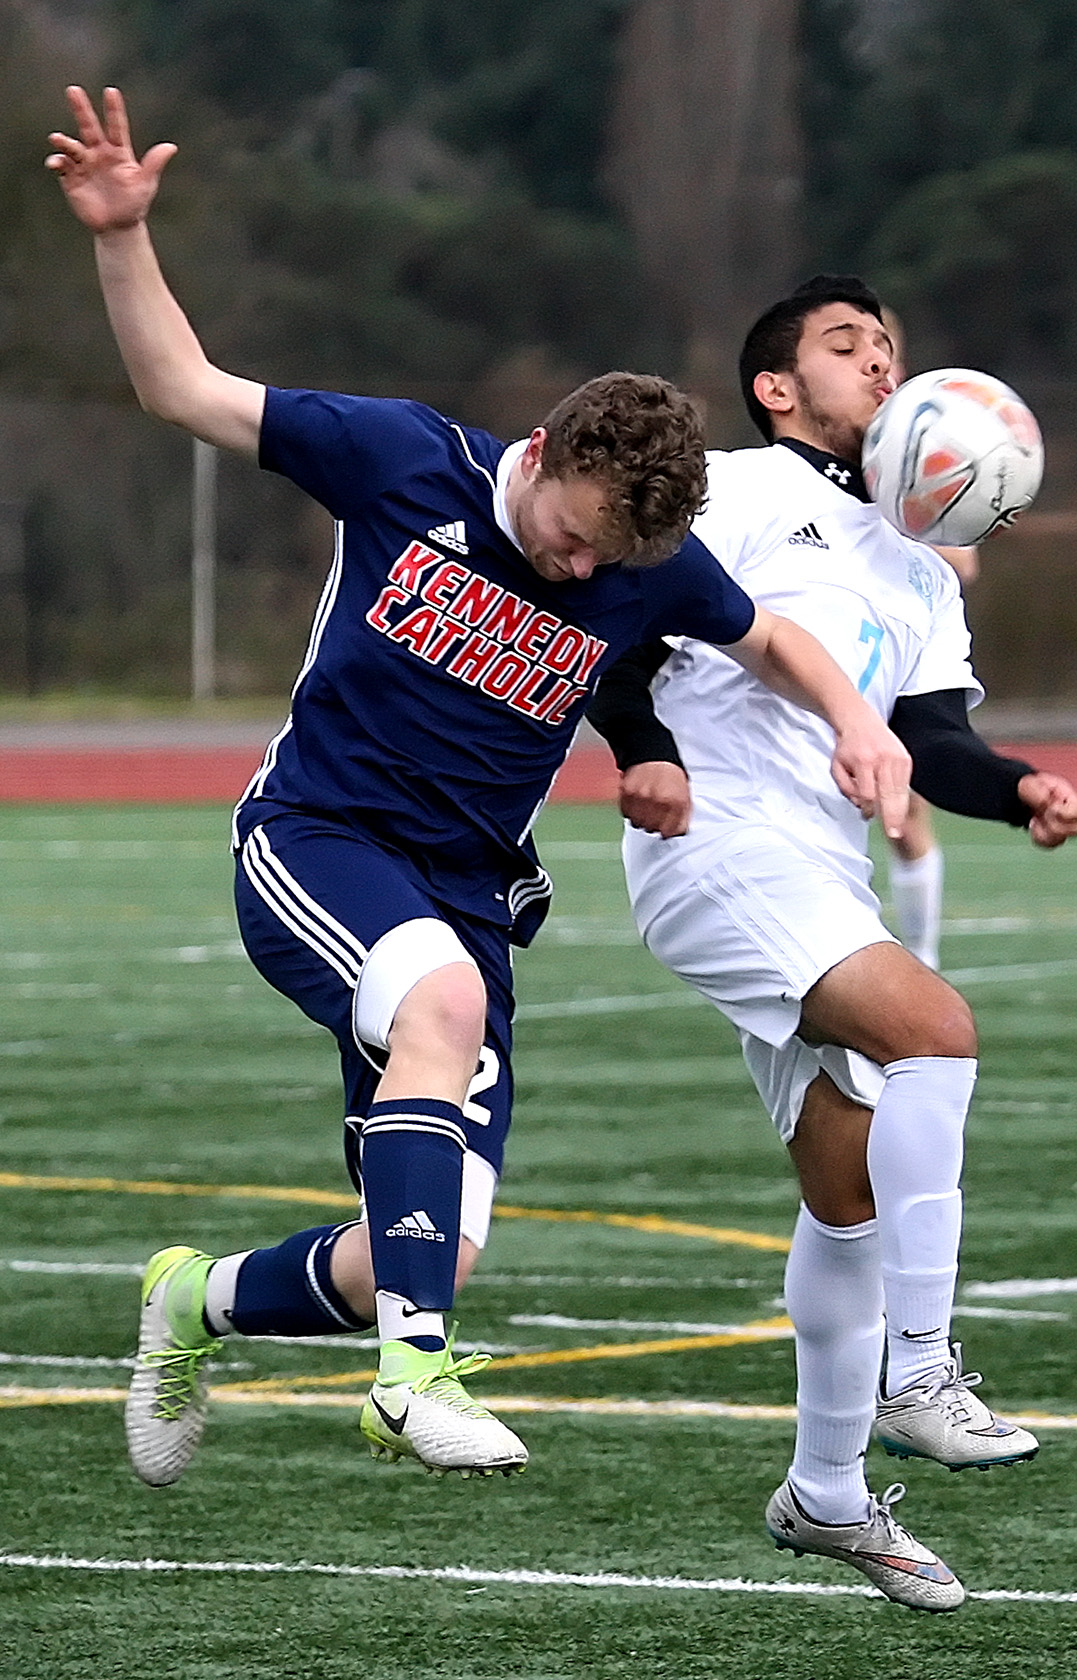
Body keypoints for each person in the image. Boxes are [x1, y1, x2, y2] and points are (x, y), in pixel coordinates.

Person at [47, 92, 912, 1491]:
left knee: (418, 1248)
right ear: (548, 455)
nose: (581, 577)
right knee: (437, 1020)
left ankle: (191, 1300)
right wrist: (124, 240)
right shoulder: (400, 459)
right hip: (320, 838)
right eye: (572, 543)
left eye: (606, 568)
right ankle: (412, 1381)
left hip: (466, 896)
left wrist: (860, 726)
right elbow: (183, 388)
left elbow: (771, 636)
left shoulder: (640, 557)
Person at [588, 273, 1077, 1612]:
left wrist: (1019, 784)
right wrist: (639, 747)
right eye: (847, 344)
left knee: (847, 1187)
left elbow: (935, 744)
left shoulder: (923, 569)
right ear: (777, 386)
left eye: (891, 347)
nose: (880, 363)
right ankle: (921, 1372)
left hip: (821, 874)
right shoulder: (743, 490)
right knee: (938, 1030)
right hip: (720, 850)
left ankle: (826, 1496)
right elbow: (619, 619)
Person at [878, 307, 980, 971]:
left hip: (894, 653)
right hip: (813, 652)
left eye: (882, 348)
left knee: (905, 813)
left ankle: (922, 959)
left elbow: (962, 560)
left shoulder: (923, 440)